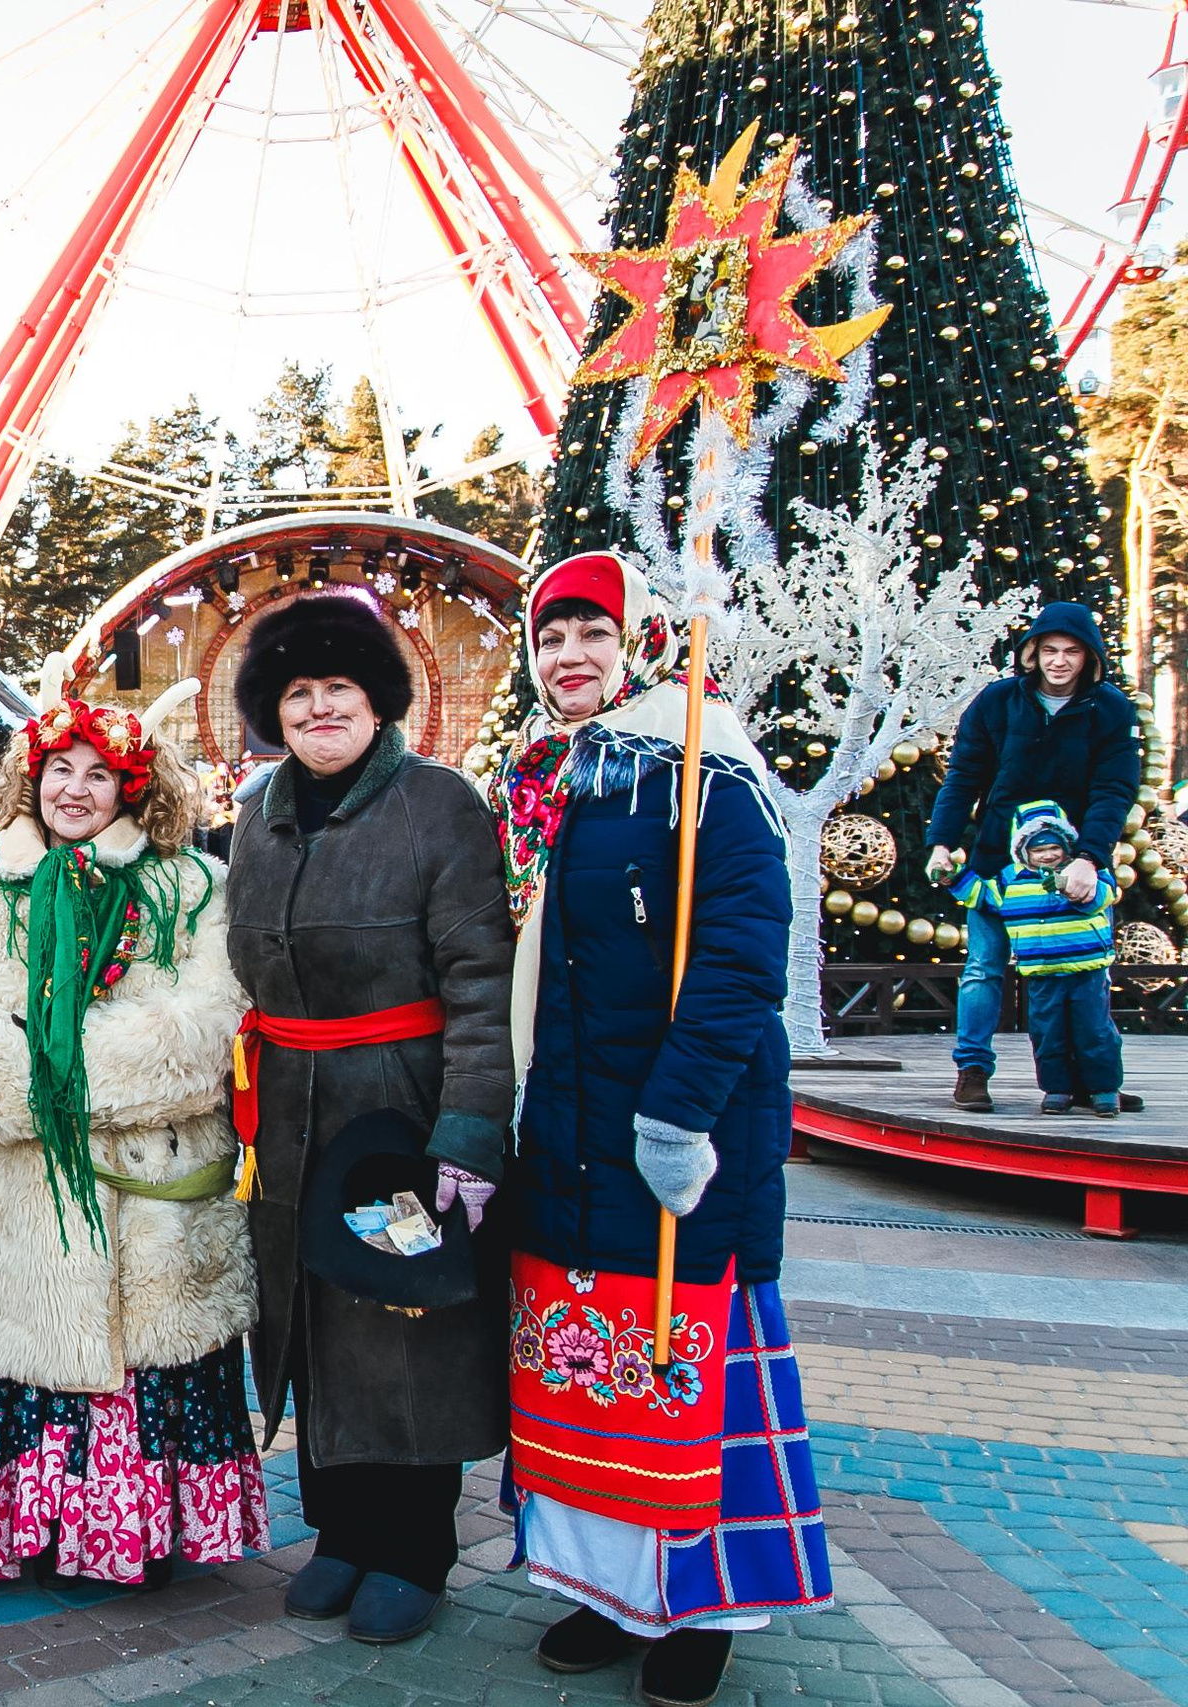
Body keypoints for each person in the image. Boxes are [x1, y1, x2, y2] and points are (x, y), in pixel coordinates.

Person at [493, 553, 832, 1707]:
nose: (568, 656)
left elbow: (741, 956)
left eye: (590, 632)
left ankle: (700, 1604)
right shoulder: (549, 779)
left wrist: (680, 1115)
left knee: (683, 1361)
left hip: (670, 1137)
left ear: (637, 640)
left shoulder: (705, 771)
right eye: (549, 637)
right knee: (588, 1365)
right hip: (568, 1127)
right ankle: (601, 1588)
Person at [0, 698, 265, 1587]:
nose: (77, 788)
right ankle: (37, 1532)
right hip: (18, 1194)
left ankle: (148, 1531)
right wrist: (30, 1082)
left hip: (153, 1192)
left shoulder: (189, 887)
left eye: (100, 773)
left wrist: (64, 1068)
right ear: (33, 776)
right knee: (35, 1344)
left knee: (150, 1345)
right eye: (62, 768)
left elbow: (211, 1025)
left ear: (130, 788)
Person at [220, 593, 514, 1643]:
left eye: (336, 689)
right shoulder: (256, 811)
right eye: (297, 694)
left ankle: (412, 1548)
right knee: (311, 1326)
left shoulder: (439, 806)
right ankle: (338, 1532)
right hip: (292, 1111)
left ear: (375, 698)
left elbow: (481, 985)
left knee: (403, 1321)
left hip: (398, 1105)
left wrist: (470, 1133)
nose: (317, 709)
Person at [925, 602, 1141, 1113]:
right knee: (984, 968)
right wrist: (942, 840)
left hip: (1076, 864)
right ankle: (973, 1070)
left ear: (1089, 658)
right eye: (1049, 650)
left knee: (1086, 971)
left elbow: (1114, 788)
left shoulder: (1110, 709)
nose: (1059, 661)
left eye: (1071, 652)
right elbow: (965, 776)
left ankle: (1091, 1079)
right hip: (999, 857)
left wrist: (1089, 858)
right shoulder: (998, 703)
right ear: (1031, 654)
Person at [947, 802, 1122, 1115]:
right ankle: (1057, 1089)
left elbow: (1102, 897)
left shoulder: (1087, 874)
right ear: (1022, 851)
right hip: (1041, 971)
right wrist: (953, 879)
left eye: (1055, 847)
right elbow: (983, 896)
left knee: (1095, 1031)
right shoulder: (1010, 880)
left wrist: (1071, 886)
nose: (1048, 855)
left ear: (1067, 846)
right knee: (1046, 1033)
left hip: (1087, 969)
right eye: (1037, 849)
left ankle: (1104, 1089)